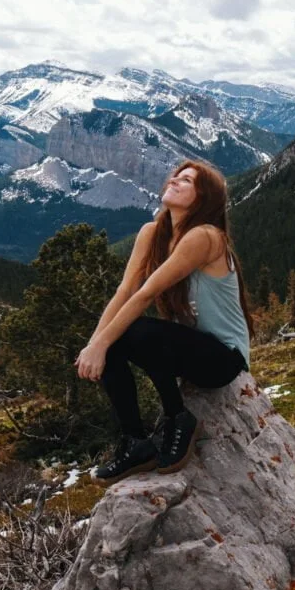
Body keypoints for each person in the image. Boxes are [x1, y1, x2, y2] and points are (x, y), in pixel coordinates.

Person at [74, 158, 253, 486]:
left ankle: (178, 418)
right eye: (176, 176)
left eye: (187, 181)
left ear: (202, 200)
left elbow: (145, 294)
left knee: (133, 332)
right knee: (113, 337)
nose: (174, 181)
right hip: (189, 350)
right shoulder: (153, 232)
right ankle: (135, 441)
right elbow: (124, 290)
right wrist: (94, 345)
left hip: (225, 360)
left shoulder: (205, 236)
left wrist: (100, 343)